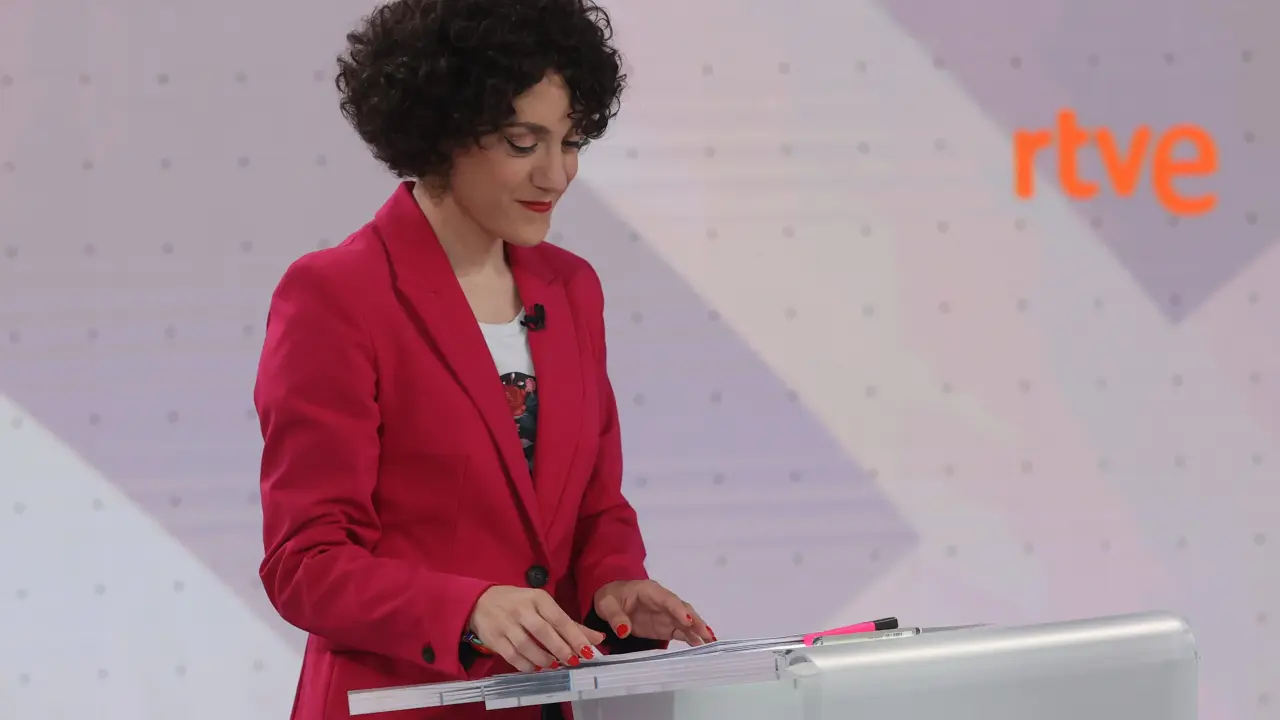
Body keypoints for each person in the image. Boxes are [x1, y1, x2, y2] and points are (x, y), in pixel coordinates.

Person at [252, 0, 715, 717]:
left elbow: (595, 506)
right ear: (442, 132)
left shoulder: (572, 288)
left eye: (571, 141)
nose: (557, 176)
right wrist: (469, 608)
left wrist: (614, 583)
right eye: (522, 143)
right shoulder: (336, 294)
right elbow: (305, 563)